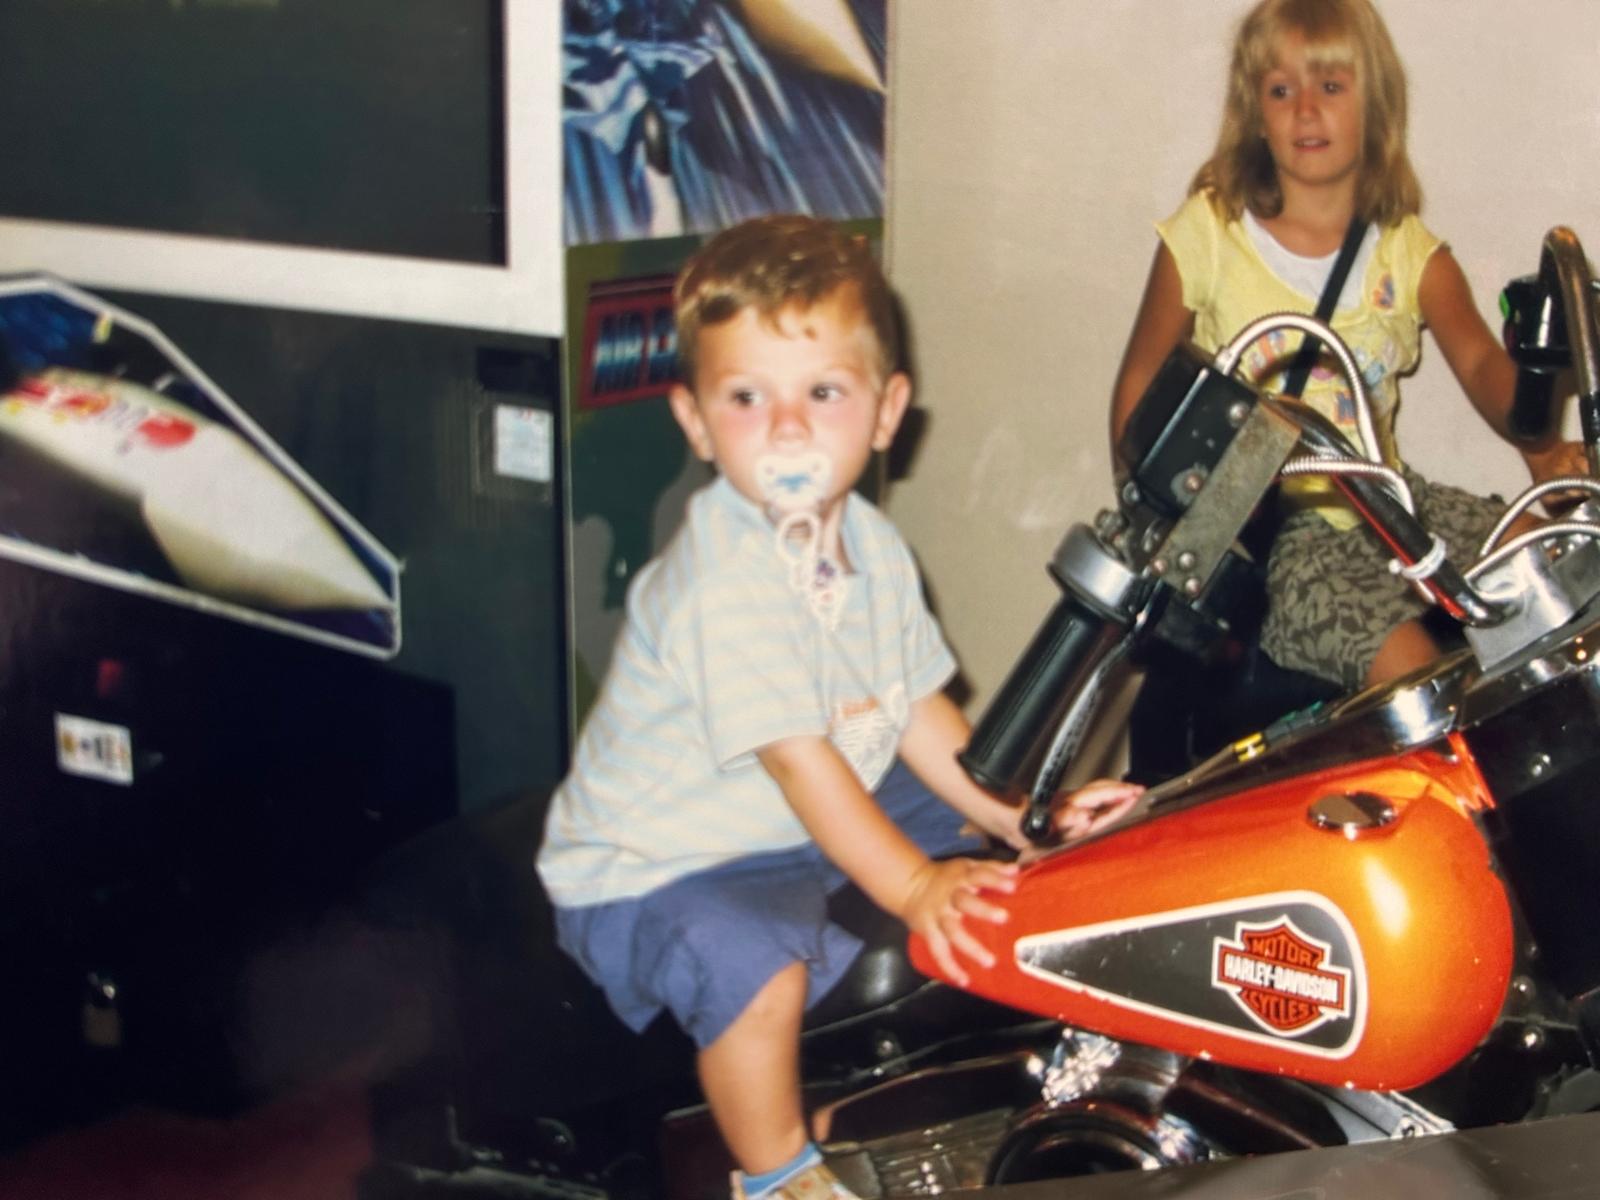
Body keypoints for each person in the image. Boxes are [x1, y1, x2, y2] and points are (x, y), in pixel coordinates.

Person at [538, 214, 1141, 1200]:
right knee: (758, 977)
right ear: (694, 421)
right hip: (659, 856)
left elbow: (920, 713)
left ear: (884, 409)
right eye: (746, 398)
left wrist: (1025, 815)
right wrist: (911, 889)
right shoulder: (722, 582)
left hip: (793, 808)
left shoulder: (868, 542)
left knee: (971, 824)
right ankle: (777, 1168)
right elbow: (799, 762)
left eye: (821, 392)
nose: (786, 427)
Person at [1110, 0, 1584, 692]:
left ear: (1376, 106)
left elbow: (1483, 363)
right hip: (1288, 534)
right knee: (1421, 681)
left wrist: (1542, 437)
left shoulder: (1406, 250)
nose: (1305, 110)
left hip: (1392, 502)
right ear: (1254, 112)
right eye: (1281, 90)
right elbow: (1139, 385)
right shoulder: (1210, 233)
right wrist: (1152, 514)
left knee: (1559, 576)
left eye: (1330, 87)